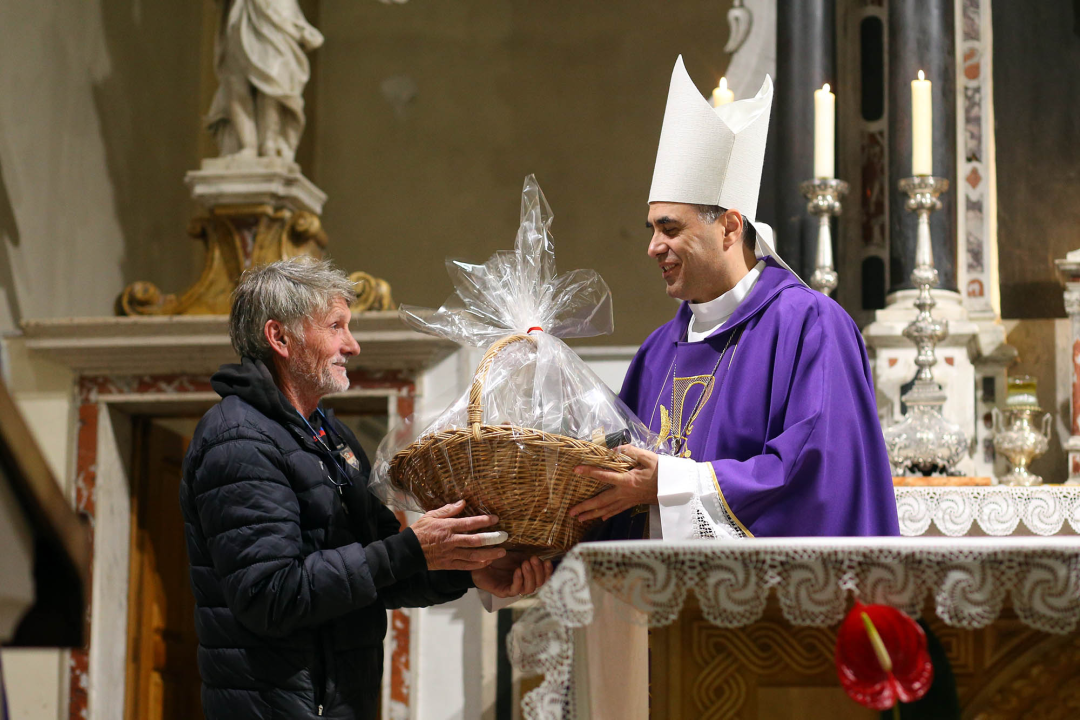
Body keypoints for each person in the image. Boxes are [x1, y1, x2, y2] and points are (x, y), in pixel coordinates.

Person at [180, 258, 552, 720]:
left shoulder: (330, 437)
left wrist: (467, 570)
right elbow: (270, 595)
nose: (352, 346)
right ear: (279, 338)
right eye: (335, 327)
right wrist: (410, 548)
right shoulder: (238, 440)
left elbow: (379, 573)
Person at [570, 56, 899, 538]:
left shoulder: (810, 326)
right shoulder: (658, 351)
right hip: (660, 603)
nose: (652, 247)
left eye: (670, 228)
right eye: (652, 228)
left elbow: (819, 476)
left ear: (729, 227)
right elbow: (616, 487)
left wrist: (672, 482)